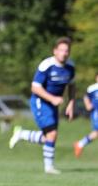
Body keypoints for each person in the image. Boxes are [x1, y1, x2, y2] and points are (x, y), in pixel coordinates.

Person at [9, 37, 76, 174]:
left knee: (49, 137)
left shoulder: (70, 67)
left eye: (67, 51)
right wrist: (52, 99)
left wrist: (71, 103)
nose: (64, 53)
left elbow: (72, 85)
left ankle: (22, 134)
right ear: (55, 51)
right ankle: (49, 167)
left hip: (53, 104)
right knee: (52, 134)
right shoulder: (46, 65)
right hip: (40, 102)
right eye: (61, 50)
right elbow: (35, 88)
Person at [73, 73, 98, 158]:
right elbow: (86, 97)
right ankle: (80, 144)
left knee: (96, 133)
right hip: (96, 112)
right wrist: (88, 105)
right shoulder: (92, 88)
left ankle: (80, 144)